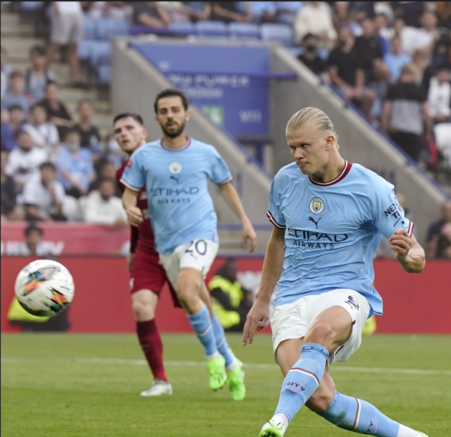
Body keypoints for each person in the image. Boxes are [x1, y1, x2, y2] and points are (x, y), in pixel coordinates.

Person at [243, 107, 427, 437]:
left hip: (346, 291)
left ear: (329, 141)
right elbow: (277, 242)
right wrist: (262, 300)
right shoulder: (285, 181)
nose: (297, 155)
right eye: (292, 147)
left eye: (304, 146)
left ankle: (279, 420)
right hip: (290, 296)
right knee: (319, 397)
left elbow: (415, 252)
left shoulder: (372, 188)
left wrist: (409, 258)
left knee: (323, 330)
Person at [121, 90, 256, 398]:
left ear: (186, 114)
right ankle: (233, 364)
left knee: (185, 291)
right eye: (164, 111)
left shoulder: (206, 152)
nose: (170, 115)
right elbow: (129, 192)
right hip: (166, 245)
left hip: (201, 235)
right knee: (200, 305)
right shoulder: (144, 156)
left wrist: (245, 221)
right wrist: (128, 207)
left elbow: (225, 187)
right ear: (156, 118)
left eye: (175, 110)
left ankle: (212, 361)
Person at [113, 112, 178, 396]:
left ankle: (226, 361)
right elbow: (135, 215)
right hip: (147, 249)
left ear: (144, 133)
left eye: (129, 128)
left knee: (196, 307)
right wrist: (132, 247)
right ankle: (160, 381)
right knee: (141, 307)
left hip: (179, 247)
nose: (123, 134)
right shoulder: (122, 175)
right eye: (118, 131)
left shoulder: (165, 163)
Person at [381, 64, 429, 162]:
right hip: (414, 131)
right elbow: (426, 113)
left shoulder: (393, 89)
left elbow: (386, 111)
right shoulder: (419, 91)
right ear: (410, 74)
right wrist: (428, 132)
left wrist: (383, 128)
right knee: (412, 164)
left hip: (396, 130)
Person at [209, 258, 254, 332]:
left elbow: (246, 293)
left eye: (234, 268)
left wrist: (248, 298)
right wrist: (244, 313)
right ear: (225, 268)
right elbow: (227, 305)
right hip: (220, 317)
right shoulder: (217, 284)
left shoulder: (234, 283)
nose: (232, 271)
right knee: (240, 317)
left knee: (249, 316)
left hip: (232, 314)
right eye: (230, 268)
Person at [45, 2, 83, 84]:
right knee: (56, 44)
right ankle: (42, 72)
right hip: (62, 10)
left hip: (76, 11)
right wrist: (55, 5)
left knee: (74, 46)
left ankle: (75, 77)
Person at [55, 129, 94, 198]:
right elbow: (64, 173)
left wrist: (84, 185)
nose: (73, 141)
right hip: (68, 188)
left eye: (75, 138)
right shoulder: (61, 153)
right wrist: (79, 187)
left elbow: (90, 174)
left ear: (79, 139)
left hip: (85, 187)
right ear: (66, 139)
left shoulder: (86, 153)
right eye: (70, 138)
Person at [1, 149, 25, 221]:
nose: (1, 162)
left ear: (8, 162)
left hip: (7, 208)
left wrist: (12, 208)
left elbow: (13, 197)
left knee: (19, 213)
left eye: (3, 160)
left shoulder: (9, 179)